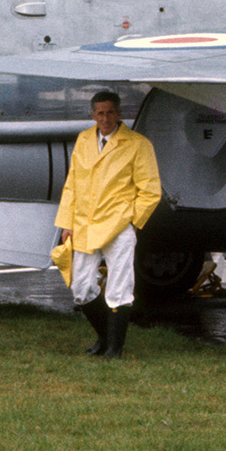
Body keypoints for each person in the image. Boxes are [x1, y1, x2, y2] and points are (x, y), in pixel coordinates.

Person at [53, 91, 161, 359]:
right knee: (81, 287)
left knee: (119, 286)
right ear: (92, 115)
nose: (105, 118)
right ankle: (105, 336)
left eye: (110, 112)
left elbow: (151, 190)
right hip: (85, 225)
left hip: (118, 225)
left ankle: (115, 348)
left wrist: (133, 220)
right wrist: (67, 223)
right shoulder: (84, 139)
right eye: (100, 113)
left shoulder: (138, 144)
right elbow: (72, 183)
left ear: (119, 113)